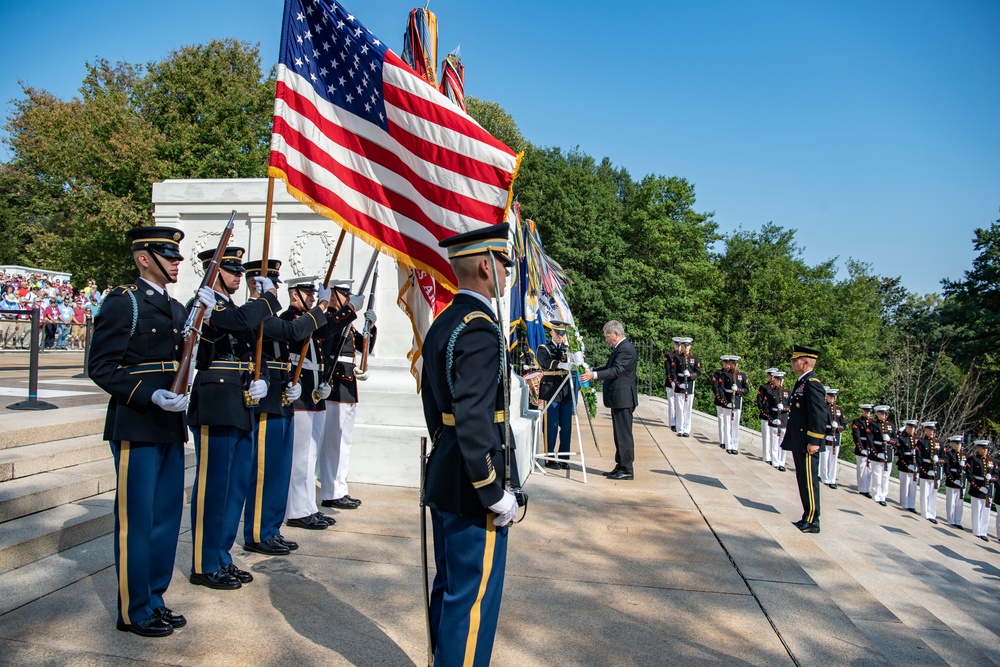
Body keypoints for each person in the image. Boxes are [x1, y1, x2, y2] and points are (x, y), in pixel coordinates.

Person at [420, 222, 518, 666]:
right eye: (503, 263)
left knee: (451, 589)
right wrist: (493, 491)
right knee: (472, 602)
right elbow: (473, 416)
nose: (507, 271)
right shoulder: (479, 328)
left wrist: (448, 455)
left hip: (447, 474)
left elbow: (433, 403)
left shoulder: (445, 321)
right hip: (473, 487)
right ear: (485, 265)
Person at [88, 226, 190, 637]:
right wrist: (150, 395)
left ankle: (155, 598)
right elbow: (101, 367)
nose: (177, 261)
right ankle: (134, 609)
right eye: (169, 255)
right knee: (138, 518)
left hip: (169, 423)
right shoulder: (124, 303)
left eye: (178, 255)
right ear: (144, 257)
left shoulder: (179, 307)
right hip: (137, 421)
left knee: (166, 516)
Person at [187, 247, 279, 591]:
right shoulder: (206, 301)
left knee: (235, 487)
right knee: (214, 489)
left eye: (241, 271)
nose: (240, 276)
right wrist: (267, 296)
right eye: (232, 270)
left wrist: (264, 380)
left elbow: (257, 346)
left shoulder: (237, 306)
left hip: (242, 401)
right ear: (214, 270)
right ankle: (204, 561)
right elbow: (239, 323)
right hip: (217, 400)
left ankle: (221, 557)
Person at [241, 260, 331, 556]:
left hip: (282, 396)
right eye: (271, 283)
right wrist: (321, 309)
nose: (276, 288)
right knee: (265, 472)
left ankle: (272, 528)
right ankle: (258, 532)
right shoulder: (256, 316)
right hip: (266, 402)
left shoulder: (270, 315)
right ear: (257, 284)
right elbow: (292, 332)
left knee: (279, 471)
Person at [283, 276, 353, 530]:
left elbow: (326, 331)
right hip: (299, 393)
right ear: (295, 294)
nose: (313, 298)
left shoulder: (309, 320)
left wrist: (323, 382)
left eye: (314, 294)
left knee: (310, 456)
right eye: (308, 294)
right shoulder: (290, 319)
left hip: (314, 393)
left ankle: (308, 506)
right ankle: (297, 509)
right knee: (300, 456)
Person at [318, 278, 376, 511]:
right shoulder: (332, 319)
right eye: (344, 293)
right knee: (334, 442)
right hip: (335, 385)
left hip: (347, 385)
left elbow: (363, 348)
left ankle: (339, 488)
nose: (348, 297)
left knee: (344, 442)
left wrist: (370, 328)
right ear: (333, 295)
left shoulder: (345, 320)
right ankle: (331, 491)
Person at [581, 321, 638, 480]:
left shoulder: (625, 349)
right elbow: (608, 366)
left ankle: (627, 468)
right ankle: (620, 465)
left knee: (624, 435)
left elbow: (617, 370)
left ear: (616, 334)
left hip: (624, 398)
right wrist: (591, 371)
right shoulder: (619, 348)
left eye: (607, 336)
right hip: (619, 399)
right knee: (619, 434)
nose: (606, 339)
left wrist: (594, 376)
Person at [780, 345, 827, 534]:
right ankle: (807, 515)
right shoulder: (802, 382)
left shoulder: (812, 383)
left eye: (795, 360)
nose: (792, 363)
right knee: (802, 479)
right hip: (799, 440)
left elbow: (819, 414)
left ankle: (813, 519)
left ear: (805, 362)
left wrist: (814, 441)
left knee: (809, 480)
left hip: (808, 442)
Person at [536, 321, 579, 469]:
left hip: (565, 391)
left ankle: (563, 458)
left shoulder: (568, 349)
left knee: (566, 426)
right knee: (551, 426)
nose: (560, 336)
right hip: (552, 391)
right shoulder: (544, 348)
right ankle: (549, 458)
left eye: (562, 333)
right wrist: (560, 364)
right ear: (551, 332)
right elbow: (544, 361)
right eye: (557, 333)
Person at [670, 337, 699, 437]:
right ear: (681, 346)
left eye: (687, 346)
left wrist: (691, 375)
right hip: (680, 384)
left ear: (690, 346)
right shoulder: (677, 358)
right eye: (684, 346)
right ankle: (680, 429)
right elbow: (673, 372)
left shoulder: (694, 359)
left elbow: (697, 372)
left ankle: (687, 429)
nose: (686, 348)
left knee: (688, 409)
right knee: (679, 408)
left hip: (689, 386)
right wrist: (678, 384)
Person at [867, 406, 896, 507]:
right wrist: (875, 452)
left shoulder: (891, 426)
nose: (883, 415)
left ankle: (883, 496)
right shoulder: (873, 424)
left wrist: (890, 440)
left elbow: (896, 440)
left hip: (888, 452)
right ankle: (876, 495)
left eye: (885, 414)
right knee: (877, 475)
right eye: (881, 413)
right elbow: (870, 440)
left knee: (885, 477)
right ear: (877, 414)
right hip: (877, 452)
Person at [819, 388, 846, 488]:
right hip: (826, 436)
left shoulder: (839, 409)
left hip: (836, 437)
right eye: (830, 396)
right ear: (827, 396)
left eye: (834, 397)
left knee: (833, 460)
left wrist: (837, 427)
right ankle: (824, 477)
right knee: (824, 458)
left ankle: (832, 479)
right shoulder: (823, 407)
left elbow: (844, 425)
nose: (832, 398)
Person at [915, 422, 941, 524]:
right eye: (929, 430)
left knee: (933, 494)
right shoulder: (922, 442)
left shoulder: (939, 442)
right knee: (925, 493)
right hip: (925, 469)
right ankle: (925, 513)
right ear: (925, 430)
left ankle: (932, 513)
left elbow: (944, 458)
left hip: (935, 471)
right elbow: (918, 457)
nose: (931, 432)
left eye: (932, 430)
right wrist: (924, 470)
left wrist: (938, 460)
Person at [764, 371, 790, 471]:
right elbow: (766, 408)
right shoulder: (770, 392)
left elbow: (790, 406)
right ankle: (775, 461)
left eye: (780, 380)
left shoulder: (787, 392)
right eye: (777, 380)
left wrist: (784, 408)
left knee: (783, 443)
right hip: (774, 418)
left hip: (783, 419)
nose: (778, 382)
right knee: (774, 442)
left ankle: (781, 462)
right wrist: (771, 419)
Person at [967, 440, 992, 541]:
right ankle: (977, 531)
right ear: (978, 448)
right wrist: (977, 486)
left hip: (987, 489)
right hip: (977, 488)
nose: (985, 450)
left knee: (986, 512)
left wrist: (992, 477)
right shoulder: (972, 459)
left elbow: (996, 474)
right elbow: (969, 474)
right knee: (976, 510)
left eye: (986, 449)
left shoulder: (991, 461)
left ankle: (984, 531)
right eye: (983, 448)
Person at [896, 421, 921, 513]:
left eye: (913, 428)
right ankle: (904, 503)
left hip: (915, 465)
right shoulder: (902, 438)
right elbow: (900, 452)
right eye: (910, 428)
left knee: (913, 486)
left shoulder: (919, 439)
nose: (911, 430)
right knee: (905, 485)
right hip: (905, 465)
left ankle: (911, 505)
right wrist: (907, 464)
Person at [942, 435, 966, 528]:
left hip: (962, 480)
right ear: (952, 444)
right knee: (951, 501)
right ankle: (951, 519)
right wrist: (952, 479)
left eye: (960, 444)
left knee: (959, 503)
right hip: (953, 480)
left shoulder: (964, 455)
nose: (958, 446)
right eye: (956, 444)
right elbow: (947, 469)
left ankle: (958, 521)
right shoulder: (948, 454)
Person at [852, 404, 874, 498]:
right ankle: (862, 489)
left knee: (869, 470)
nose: (868, 413)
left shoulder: (873, 422)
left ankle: (866, 488)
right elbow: (856, 436)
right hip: (862, 447)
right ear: (863, 411)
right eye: (866, 411)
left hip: (870, 448)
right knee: (861, 469)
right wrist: (861, 449)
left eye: (869, 412)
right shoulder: (857, 421)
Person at [756, 369, 778, 464]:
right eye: (771, 375)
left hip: (775, 416)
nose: (772, 378)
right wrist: (763, 411)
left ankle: (774, 456)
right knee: (766, 436)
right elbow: (760, 400)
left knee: (774, 438)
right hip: (766, 415)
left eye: (774, 376)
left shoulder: (778, 389)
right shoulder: (764, 387)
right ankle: (766, 456)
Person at [664, 338, 682, 432]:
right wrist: (672, 381)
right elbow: (668, 369)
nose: (678, 347)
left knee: (679, 404)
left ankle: (679, 422)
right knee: (672, 403)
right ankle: (672, 423)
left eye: (680, 345)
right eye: (677, 345)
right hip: (671, 382)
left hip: (680, 383)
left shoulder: (683, 357)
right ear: (674, 345)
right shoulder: (669, 355)